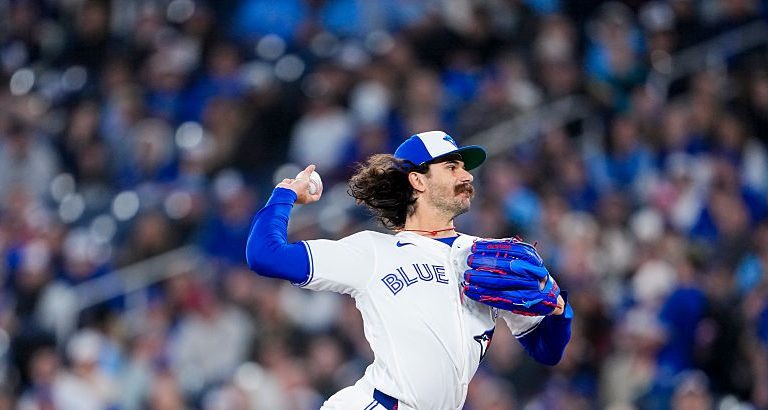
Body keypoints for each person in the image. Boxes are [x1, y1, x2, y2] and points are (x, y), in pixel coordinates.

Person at [246, 131, 573, 409]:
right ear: (417, 180)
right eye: (451, 166)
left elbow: (547, 351)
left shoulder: (490, 259)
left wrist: (558, 307)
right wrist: (285, 194)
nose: (467, 176)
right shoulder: (372, 250)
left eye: (464, 168)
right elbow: (265, 254)